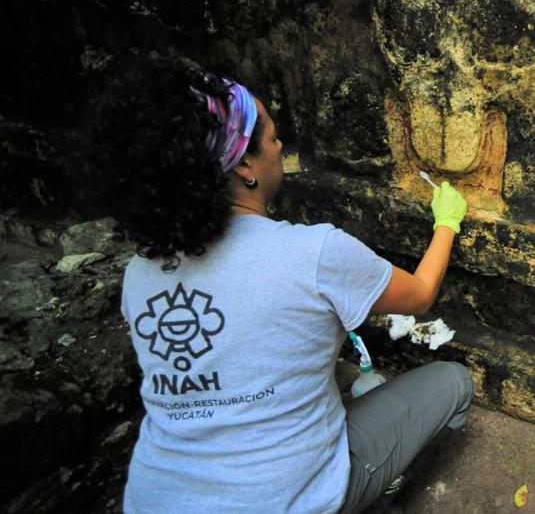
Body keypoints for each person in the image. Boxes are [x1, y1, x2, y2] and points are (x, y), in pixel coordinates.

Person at [86, 52, 473, 513]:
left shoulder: (140, 273)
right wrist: (446, 223)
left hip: (154, 500)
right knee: (454, 381)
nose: (279, 144)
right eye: (271, 137)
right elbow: (421, 295)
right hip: (288, 501)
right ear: (244, 168)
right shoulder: (314, 253)